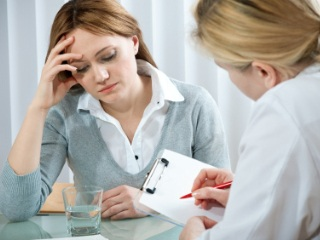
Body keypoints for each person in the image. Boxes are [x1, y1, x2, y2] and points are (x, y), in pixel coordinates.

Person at [0, 0, 230, 222]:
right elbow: (17, 209)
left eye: (108, 56)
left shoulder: (194, 104)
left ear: (133, 42)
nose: (100, 76)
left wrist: (150, 203)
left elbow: (219, 204)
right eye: (82, 69)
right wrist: (38, 108)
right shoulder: (65, 114)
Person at [180, 0, 320, 239]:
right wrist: (252, 193)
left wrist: (193, 236)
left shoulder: (284, 109)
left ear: (264, 71)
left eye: (226, 69)